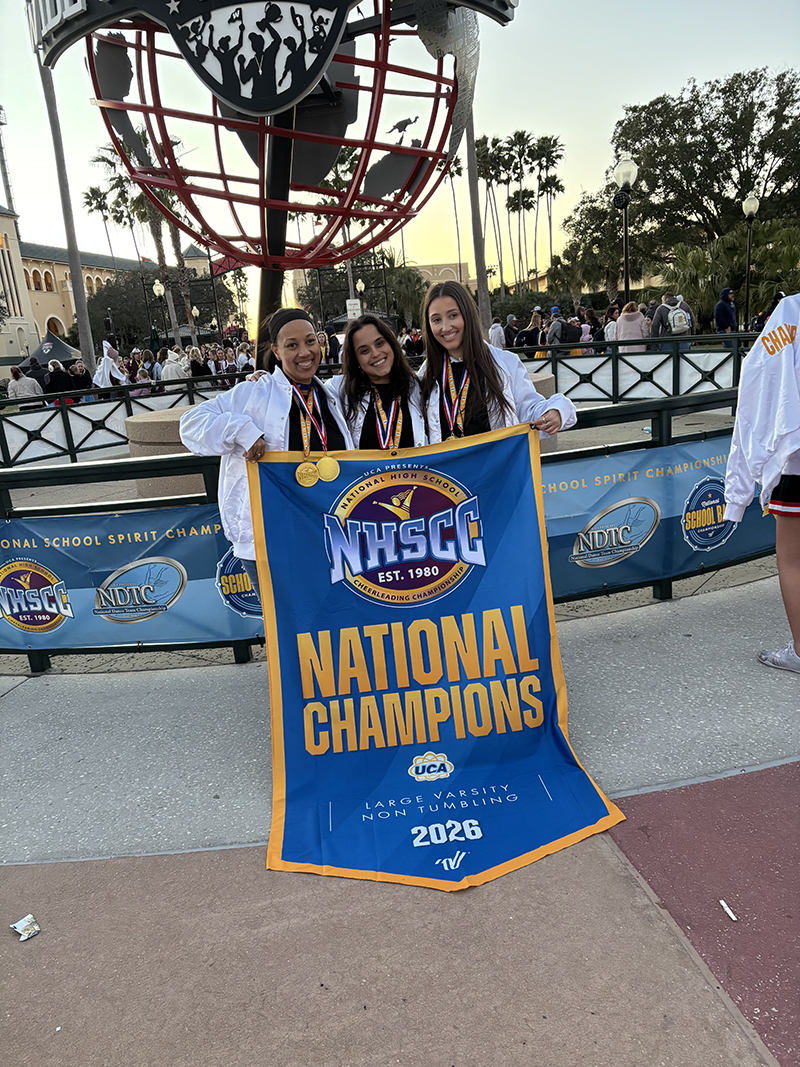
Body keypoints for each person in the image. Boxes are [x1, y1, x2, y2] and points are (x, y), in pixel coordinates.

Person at [180, 308, 353, 597]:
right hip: (271, 540)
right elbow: (190, 425)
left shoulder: (331, 395)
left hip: (327, 535)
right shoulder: (253, 393)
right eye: (292, 345)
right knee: (284, 620)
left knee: (330, 619)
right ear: (275, 351)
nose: (304, 352)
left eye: (310, 341)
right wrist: (241, 430)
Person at [723, 292, 800, 671]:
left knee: (793, 559)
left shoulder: (791, 312)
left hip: (797, 460)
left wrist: (737, 495)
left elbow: (756, 388)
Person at [419, 280, 576, 442]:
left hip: (496, 458)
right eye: (436, 320)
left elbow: (529, 410)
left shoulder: (505, 363)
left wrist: (557, 410)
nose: (445, 327)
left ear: (467, 314)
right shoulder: (424, 376)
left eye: (453, 315)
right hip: (445, 459)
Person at [330, 314, 426, 449]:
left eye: (380, 343)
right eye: (364, 351)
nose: (375, 354)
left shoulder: (420, 388)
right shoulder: (340, 394)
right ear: (355, 359)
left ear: (391, 344)